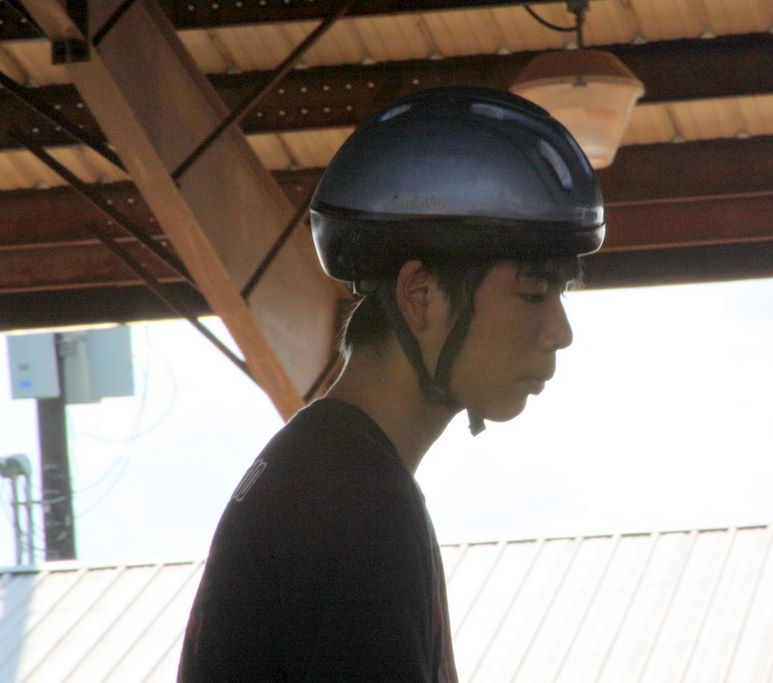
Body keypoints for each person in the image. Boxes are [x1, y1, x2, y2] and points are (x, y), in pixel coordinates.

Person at [177, 86, 605, 681]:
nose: (561, 333)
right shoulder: (354, 508)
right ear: (420, 295)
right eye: (534, 294)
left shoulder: (329, 472)